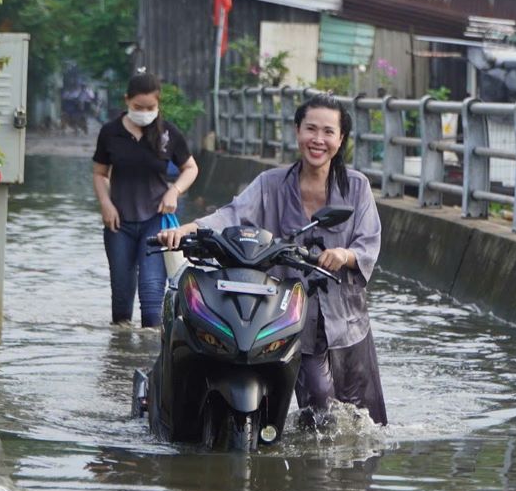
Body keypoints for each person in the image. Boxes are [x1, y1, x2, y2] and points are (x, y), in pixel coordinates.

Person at [158, 95, 387, 425]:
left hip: (347, 319)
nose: (318, 140)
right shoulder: (270, 184)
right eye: (310, 129)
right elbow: (232, 215)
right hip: (291, 313)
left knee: (367, 421)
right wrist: (188, 229)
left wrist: (344, 254)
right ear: (297, 131)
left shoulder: (357, 187)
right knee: (319, 409)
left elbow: (368, 242)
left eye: (328, 132)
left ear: (341, 139)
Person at [93, 71, 199, 327]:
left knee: (152, 293)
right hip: (119, 223)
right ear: (127, 100)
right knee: (121, 295)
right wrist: (105, 204)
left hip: (156, 221)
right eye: (138, 107)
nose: (144, 112)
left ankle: (148, 354)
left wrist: (174, 191)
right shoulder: (110, 133)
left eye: (150, 107)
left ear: (158, 103)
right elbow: (99, 173)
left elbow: (191, 168)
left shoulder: (167, 134)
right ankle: (120, 356)